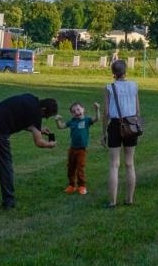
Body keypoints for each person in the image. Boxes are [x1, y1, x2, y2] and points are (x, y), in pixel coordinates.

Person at [0, 93, 58, 208]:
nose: (44, 118)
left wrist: (38, 128)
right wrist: (49, 144)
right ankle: (8, 200)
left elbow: (20, 118)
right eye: (46, 115)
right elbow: (39, 142)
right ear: (43, 109)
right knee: (5, 165)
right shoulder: (36, 113)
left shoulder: (31, 98)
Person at [102, 59, 141, 207]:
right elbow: (137, 110)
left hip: (115, 125)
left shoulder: (109, 87)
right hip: (131, 124)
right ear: (126, 71)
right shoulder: (134, 86)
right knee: (130, 164)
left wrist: (103, 132)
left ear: (113, 73)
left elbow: (106, 112)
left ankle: (112, 201)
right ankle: (129, 199)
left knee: (114, 165)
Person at [55, 100, 101, 194]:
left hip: (82, 150)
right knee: (70, 168)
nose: (77, 112)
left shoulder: (87, 120)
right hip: (72, 148)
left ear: (83, 109)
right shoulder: (72, 121)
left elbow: (97, 119)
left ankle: (82, 186)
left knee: (80, 168)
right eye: (74, 111)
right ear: (72, 114)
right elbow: (61, 127)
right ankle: (71, 185)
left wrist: (97, 109)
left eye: (78, 109)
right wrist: (57, 120)